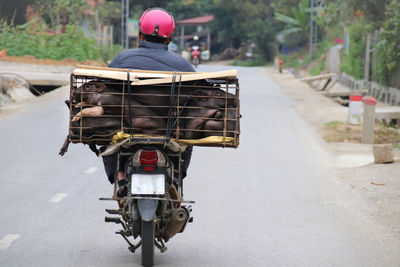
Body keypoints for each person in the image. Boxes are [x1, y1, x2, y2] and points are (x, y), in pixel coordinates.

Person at [103, 7, 195, 197]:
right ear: (168, 38)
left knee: (105, 131)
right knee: (188, 132)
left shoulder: (122, 59)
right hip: (168, 130)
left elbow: (104, 88)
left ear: (140, 35)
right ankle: (176, 177)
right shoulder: (183, 65)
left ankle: (120, 178)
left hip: (128, 127)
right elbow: (197, 95)